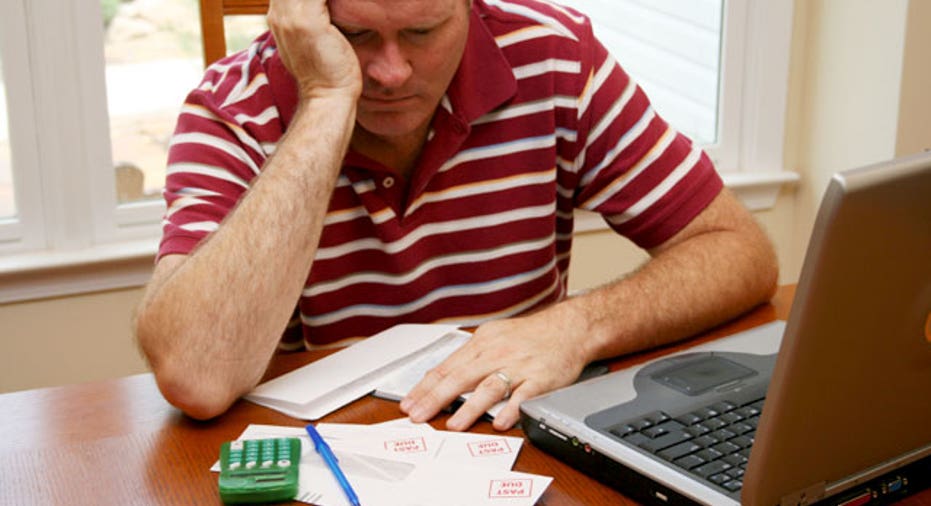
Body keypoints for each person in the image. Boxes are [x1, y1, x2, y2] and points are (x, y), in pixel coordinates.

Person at [134, 0, 778, 431]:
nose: (390, 73)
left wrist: (575, 327)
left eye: (422, 32)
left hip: (514, 436)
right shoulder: (233, 108)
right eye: (354, 36)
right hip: (329, 455)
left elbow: (737, 249)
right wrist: (327, 98)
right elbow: (196, 375)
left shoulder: (554, 55)